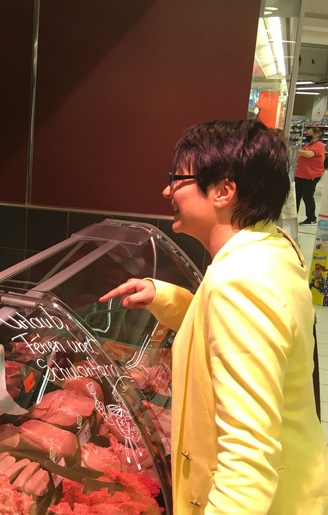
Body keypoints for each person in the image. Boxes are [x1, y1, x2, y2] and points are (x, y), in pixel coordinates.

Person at [99, 120, 328, 513]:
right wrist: (164, 296)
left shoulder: (242, 279)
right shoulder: (270, 245)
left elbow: (248, 456)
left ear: (223, 190)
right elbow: (229, 330)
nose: (167, 190)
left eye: (178, 177)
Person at [295, 125, 325, 225]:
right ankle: (293, 216)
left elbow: (309, 155)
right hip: (300, 175)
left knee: (307, 196)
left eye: (309, 134)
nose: (307, 136)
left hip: (311, 176)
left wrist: (296, 150)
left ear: (316, 135)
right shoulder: (308, 145)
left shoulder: (319, 145)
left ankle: (311, 218)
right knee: (296, 196)